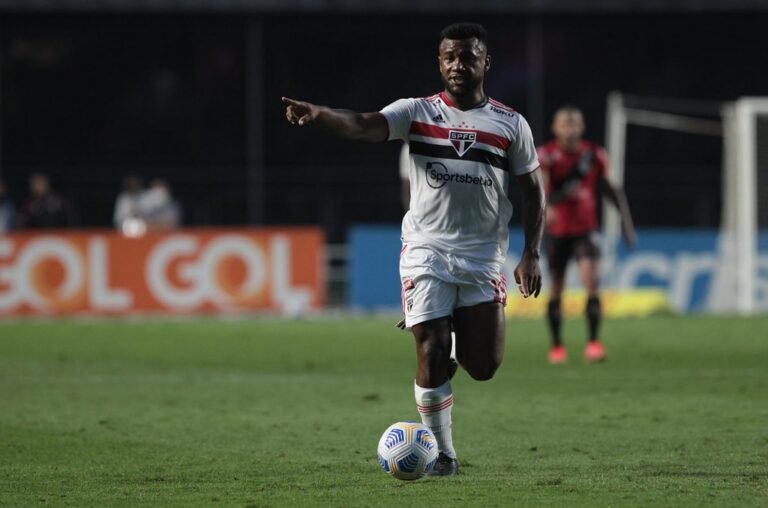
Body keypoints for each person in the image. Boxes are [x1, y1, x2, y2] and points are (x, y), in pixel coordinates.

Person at [282, 22, 545, 476]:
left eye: (468, 57)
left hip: (483, 255)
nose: (458, 65)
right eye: (450, 57)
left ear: (486, 62)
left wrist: (532, 252)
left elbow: (533, 192)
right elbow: (362, 125)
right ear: (439, 63)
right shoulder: (416, 112)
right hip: (426, 251)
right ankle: (444, 455)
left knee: (483, 366)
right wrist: (321, 113)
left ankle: (457, 345)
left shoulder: (510, 124)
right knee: (430, 348)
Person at [537, 106, 636, 364]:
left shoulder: (594, 155)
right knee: (556, 289)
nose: (570, 129)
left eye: (574, 124)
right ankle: (557, 346)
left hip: (585, 230)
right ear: (555, 128)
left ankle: (593, 343)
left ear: (582, 128)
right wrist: (545, 211)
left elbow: (611, 190)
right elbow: (539, 191)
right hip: (557, 232)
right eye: (565, 124)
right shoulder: (546, 155)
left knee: (591, 283)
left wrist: (626, 223)